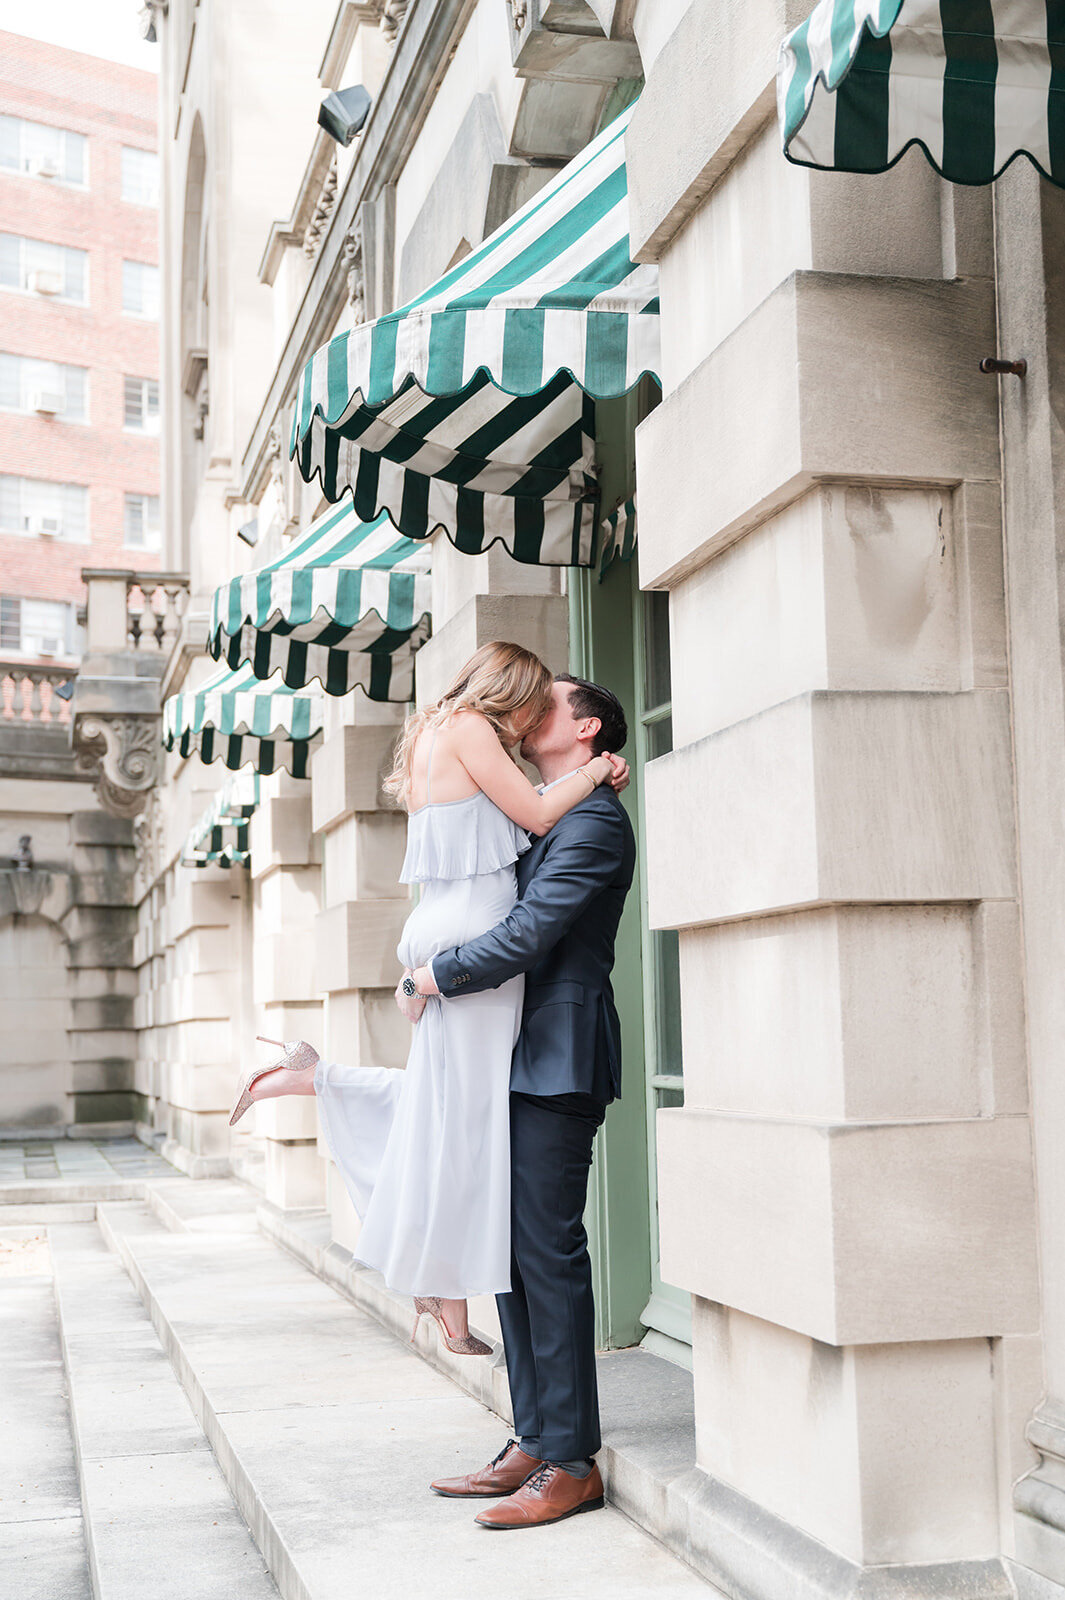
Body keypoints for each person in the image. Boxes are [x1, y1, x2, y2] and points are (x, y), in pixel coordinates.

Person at [228, 642, 626, 1361]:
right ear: (508, 688)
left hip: (442, 927)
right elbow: (536, 817)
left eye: (550, 706)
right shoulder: (472, 730)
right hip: (468, 936)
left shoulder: (436, 730)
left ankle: (322, 1084)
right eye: (534, 697)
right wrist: (598, 771)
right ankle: (439, 1278)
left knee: (447, 1105)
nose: (535, 714)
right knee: (463, 1118)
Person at [400, 672, 636, 1530]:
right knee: (507, 1256)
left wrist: (439, 974)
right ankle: (533, 1437)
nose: (532, 714)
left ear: (587, 731)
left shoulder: (594, 825)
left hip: (555, 1060)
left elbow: (529, 934)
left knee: (546, 1255)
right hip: (501, 1054)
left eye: (551, 705)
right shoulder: (543, 807)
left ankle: (572, 1460)